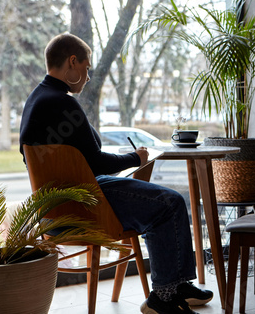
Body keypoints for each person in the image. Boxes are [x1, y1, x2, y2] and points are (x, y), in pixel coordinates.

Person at [19, 33, 212, 314]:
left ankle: (177, 285)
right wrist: (137, 157)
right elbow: (97, 163)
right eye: (86, 68)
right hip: (86, 202)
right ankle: (165, 295)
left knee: (161, 202)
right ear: (72, 62)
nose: (87, 76)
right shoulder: (62, 103)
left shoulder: (36, 100)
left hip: (59, 208)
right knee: (170, 203)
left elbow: (77, 158)